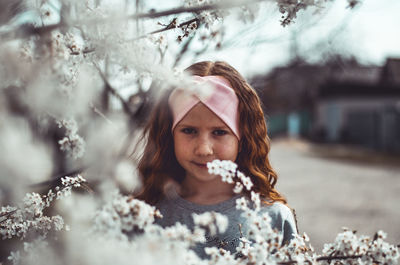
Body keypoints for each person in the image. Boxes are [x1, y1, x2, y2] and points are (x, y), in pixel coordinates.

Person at [136, 61, 297, 259]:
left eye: (220, 132)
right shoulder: (144, 213)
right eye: (189, 130)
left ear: (242, 137)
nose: (203, 149)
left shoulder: (273, 218)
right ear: (170, 135)